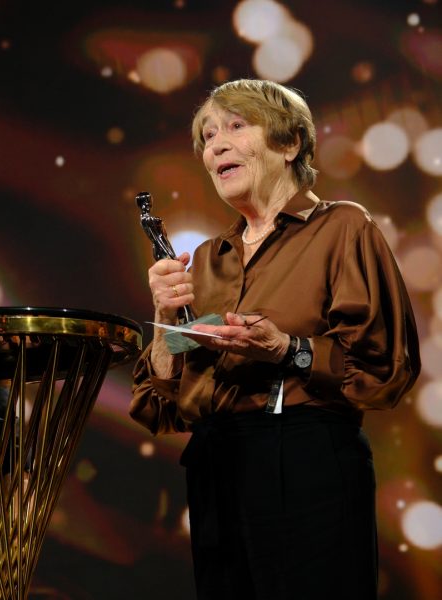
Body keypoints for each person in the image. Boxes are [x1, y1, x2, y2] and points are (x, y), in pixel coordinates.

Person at [129, 79, 420, 600]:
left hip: (305, 457)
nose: (214, 145)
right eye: (207, 136)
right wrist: (163, 317)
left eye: (235, 127)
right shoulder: (208, 261)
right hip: (216, 465)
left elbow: (385, 368)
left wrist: (290, 349)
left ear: (289, 145)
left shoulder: (342, 227)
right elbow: (160, 400)